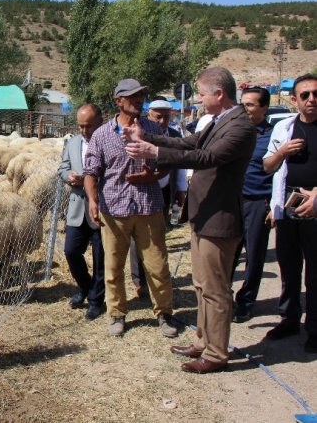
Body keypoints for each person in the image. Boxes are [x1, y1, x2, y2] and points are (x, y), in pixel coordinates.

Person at [125, 66, 256, 373]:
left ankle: (216, 354)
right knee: (201, 285)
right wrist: (146, 137)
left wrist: (153, 151)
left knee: (216, 289)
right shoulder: (220, 121)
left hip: (219, 219)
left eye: (200, 93)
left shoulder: (240, 126)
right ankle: (203, 340)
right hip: (203, 215)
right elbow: (190, 144)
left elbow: (205, 158)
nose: (198, 99)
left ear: (219, 94)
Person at [83, 78, 178, 338]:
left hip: (149, 207)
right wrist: (92, 201)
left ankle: (164, 314)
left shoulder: (153, 130)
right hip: (114, 210)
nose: (139, 99)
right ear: (118, 101)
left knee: (157, 265)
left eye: (141, 95)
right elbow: (91, 172)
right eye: (133, 96)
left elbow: (169, 161)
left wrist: (153, 176)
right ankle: (117, 314)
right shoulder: (101, 135)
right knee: (113, 266)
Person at [262, 73, 317, 353]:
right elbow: (268, 167)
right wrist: (282, 152)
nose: (311, 99)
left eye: (315, 94)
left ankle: (315, 328)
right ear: (294, 99)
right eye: (304, 95)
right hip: (288, 204)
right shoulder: (284, 127)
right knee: (289, 265)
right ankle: (289, 319)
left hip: (315, 203)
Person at [130, 99, 188, 298]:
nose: (163, 121)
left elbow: (180, 164)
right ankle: (140, 281)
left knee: (159, 235)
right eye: (158, 116)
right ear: (149, 116)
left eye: (167, 116)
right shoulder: (144, 136)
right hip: (143, 191)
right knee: (139, 238)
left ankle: (157, 276)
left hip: (165, 192)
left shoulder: (175, 136)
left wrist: (181, 190)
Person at [58, 104, 106, 320]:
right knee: (70, 251)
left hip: (102, 208)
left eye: (89, 126)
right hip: (77, 206)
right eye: (81, 126)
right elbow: (63, 167)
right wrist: (69, 176)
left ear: (100, 123)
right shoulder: (72, 143)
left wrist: (92, 181)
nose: (84, 131)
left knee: (100, 258)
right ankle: (85, 287)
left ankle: (96, 301)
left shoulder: (108, 141)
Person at [231, 86, 274, 323]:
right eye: (242, 104)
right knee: (227, 252)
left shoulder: (272, 135)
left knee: (254, 254)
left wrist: (273, 205)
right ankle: (223, 298)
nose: (244, 109)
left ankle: (246, 302)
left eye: (250, 105)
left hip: (258, 202)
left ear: (264, 108)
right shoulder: (236, 131)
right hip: (231, 200)